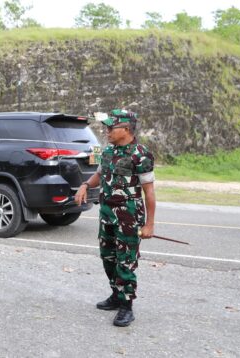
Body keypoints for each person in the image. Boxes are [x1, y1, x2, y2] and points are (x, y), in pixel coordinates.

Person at [74, 109, 156, 327]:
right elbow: (100, 175)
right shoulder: (109, 151)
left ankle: (127, 306)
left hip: (128, 217)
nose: (107, 131)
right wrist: (84, 185)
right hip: (107, 215)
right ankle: (116, 295)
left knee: (126, 261)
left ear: (126, 129)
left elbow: (149, 192)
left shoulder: (141, 154)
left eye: (112, 127)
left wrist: (149, 224)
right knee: (108, 257)